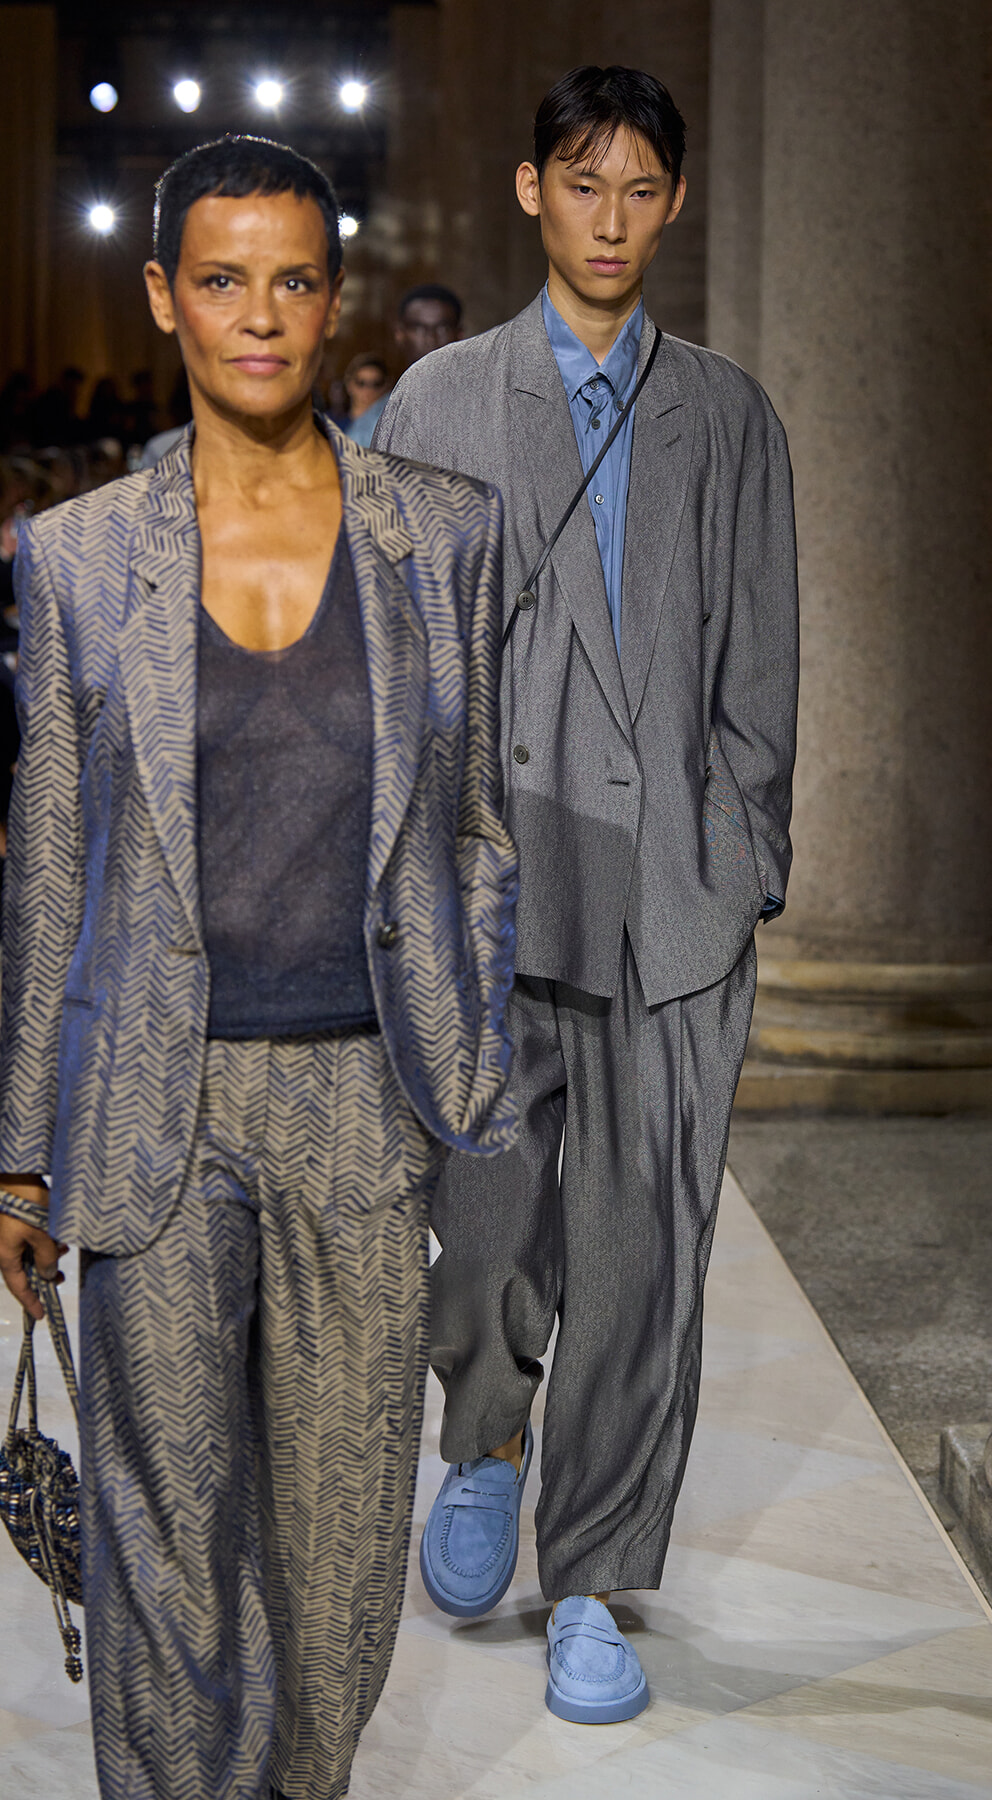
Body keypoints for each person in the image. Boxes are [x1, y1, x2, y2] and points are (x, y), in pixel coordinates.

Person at [0, 132, 517, 1800]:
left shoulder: (444, 541)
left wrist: (478, 1082)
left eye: (293, 278)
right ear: (164, 298)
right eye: (221, 279)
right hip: (162, 1099)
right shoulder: (80, 559)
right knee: (163, 1553)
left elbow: (480, 837)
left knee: (343, 1556)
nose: (260, 315)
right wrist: (20, 1153)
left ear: (335, 296)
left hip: (368, 1107)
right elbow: (53, 870)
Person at [374, 64, 797, 1724]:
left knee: (644, 1256)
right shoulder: (441, 400)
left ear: (672, 205)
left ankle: (594, 1575)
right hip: (494, 887)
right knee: (484, 1228)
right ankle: (481, 1436)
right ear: (533, 193)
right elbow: (402, 660)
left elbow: (762, 658)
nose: (612, 215)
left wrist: (744, 840)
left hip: (675, 903)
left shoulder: (731, 411)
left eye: (641, 187)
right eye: (583, 181)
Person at [345, 283, 464, 447]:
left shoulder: (487, 413)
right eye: (418, 328)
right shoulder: (372, 425)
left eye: (442, 327)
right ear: (400, 333)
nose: (430, 338)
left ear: (460, 334)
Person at [334, 349, 390, 432]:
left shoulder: (389, 429)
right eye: (361, 383)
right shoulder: (334, 428)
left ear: (386, 386)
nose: (368, 390)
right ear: (349, 384)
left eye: (376, 384)